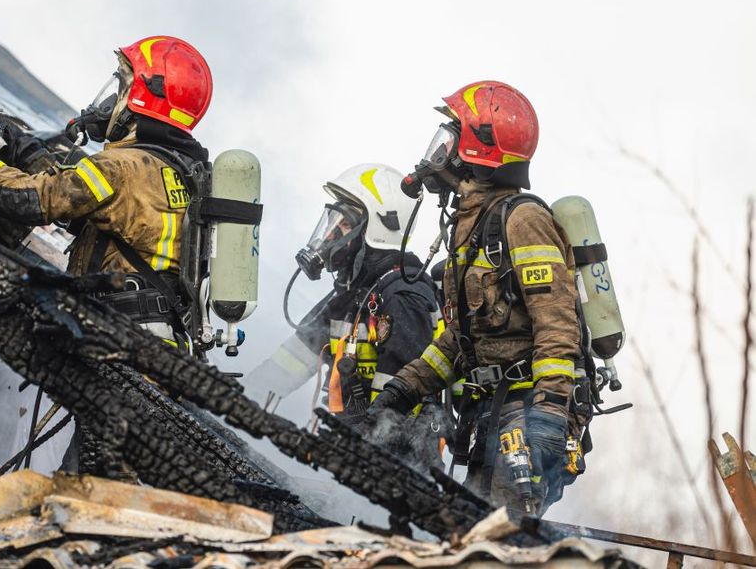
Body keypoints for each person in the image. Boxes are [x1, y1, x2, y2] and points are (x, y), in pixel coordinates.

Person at [368, 81, 585, 516]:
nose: (437, 153)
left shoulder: (523, 221)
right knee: (471, 530)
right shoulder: (470, 230)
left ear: (479, 148)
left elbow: (558, 324)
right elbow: (458, 341)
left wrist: (550, 410)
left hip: (528, 415)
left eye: (448, 139)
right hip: (490, 413)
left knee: (497, 539)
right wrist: (399, 392)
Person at [0, 35, 212, 349]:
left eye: (122, 87)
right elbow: (88, 208)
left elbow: (26, 200)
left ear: (142, 98)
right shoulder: (174, 174)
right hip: (156, 347)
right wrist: (31, 154)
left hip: (119, 345)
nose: (110, 102)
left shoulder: (123, 167)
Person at [242, 163, 440, 436]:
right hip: (350, 446)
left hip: (397, 463)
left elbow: (397, 412)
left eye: (344, 224)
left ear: (378, 230)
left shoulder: (404, 297)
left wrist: (352, 448)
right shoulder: (350, 295)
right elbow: (289, 365)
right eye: (333, 222)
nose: (331, 235)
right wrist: (233, 402)